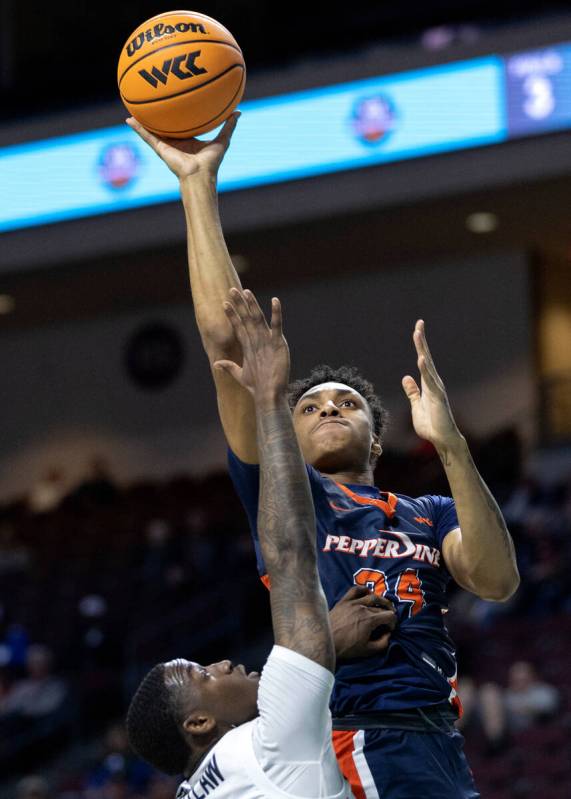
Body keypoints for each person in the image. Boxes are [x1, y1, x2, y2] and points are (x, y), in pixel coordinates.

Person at [127, 113, 520, 798]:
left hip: (436, 734)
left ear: (374, 437)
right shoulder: (288, 496)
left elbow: (494, 579)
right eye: (307, 406)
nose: (328, 408)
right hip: (352, 730)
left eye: (345, 403)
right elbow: (226, 342)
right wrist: (197, 184)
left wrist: (451, 444)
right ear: (289, 445)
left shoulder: (424, 511)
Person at [126, 290, 395, 796]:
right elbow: (291, 560)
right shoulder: (262, 747)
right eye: (205, 674)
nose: (223, 662)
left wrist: (319, 647)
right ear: (200, 724)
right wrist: (271, 398)